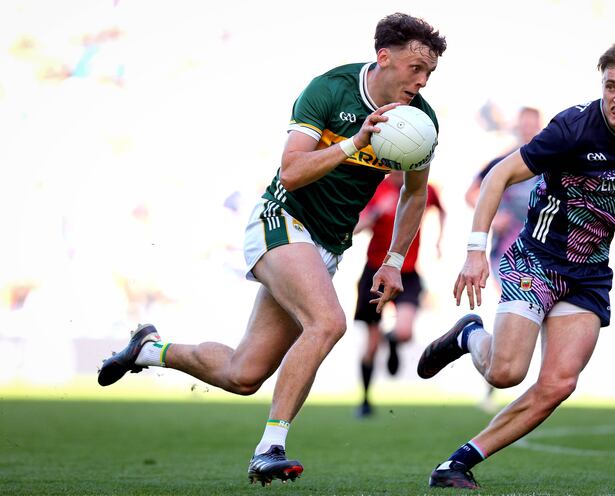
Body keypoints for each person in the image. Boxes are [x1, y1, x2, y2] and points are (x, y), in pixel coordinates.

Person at [97, 13, 446, 486]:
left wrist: (393, 261)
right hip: (281, 220)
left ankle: (149, 350)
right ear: (384, 57)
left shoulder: (421, 121)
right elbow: (291, 172)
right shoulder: (329, 90)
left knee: (244, 374)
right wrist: (354, 142)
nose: (422, 80)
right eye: (415, 68)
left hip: (327, 246)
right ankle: (270, 448)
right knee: (328, 323)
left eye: (430, 73)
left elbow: (414, 194)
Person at [417, 38, 615, 489]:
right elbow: (498, 175)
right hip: (536, 259)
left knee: (558, 384)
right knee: (506, 372)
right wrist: (475, 251)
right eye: (610, 86)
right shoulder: (572, 129)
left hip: (589, 272)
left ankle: (455, 464)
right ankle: (470, 334)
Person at [465, 106, 542, 413]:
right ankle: (493, 379)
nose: (528, 131)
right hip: (509, 252)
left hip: (543, 252)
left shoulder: (551, 160)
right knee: (513, 307)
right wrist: (493, 217)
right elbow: (472, 193)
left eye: (533, 126)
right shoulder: (506, 161)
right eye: (523, 126)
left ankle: (534, 386)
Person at [353, 170, 445, 417]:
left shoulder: (423, 187)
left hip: (407, 272)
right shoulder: (376, 189)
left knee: (404, 331)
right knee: (371, 344)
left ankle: (392, 342)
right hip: (375, 272)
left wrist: (438, 241)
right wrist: (374, 213)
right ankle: (365, 399)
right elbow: (356, 227)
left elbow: (441, 210)